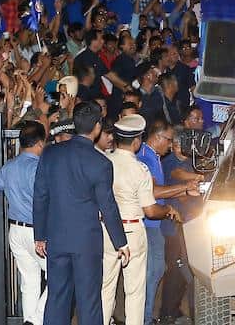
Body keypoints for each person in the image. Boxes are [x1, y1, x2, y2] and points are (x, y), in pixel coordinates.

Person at [33, 102, 129, 325]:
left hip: (56, 238)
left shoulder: (50, 154)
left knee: (56, 298)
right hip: (86, 241)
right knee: (89, 301)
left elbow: (40, 196)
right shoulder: (101, 163)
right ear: (97, 127)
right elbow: (108, 206)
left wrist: (40, 235)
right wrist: (120, 242)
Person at [101, 115, 181, 325]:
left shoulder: (104, 162)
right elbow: (151, 211)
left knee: (106, 287)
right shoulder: (139, 169)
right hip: (132, 231)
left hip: (106, 230)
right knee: (135, 290)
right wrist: (167, 210)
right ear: (137, 141)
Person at [138, 119, 200, 325]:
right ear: (158, 137)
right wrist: (186, 186)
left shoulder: (153, 157)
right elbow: (154, 191)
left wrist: (185, 189)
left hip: (160, 223)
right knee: (159, 273)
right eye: (169, 140)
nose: (170, 144)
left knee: (160, 272)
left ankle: (155, 316)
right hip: (152, 224)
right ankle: (150, 318)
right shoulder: (147, 158)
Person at [0, 121, 47, 325]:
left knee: (29, 282)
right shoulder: (39, 168)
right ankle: (35, 319)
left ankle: (30, 320)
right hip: (38, 231)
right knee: (59, 277)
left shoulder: (10, 167)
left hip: (15, 229)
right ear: (40, 143)